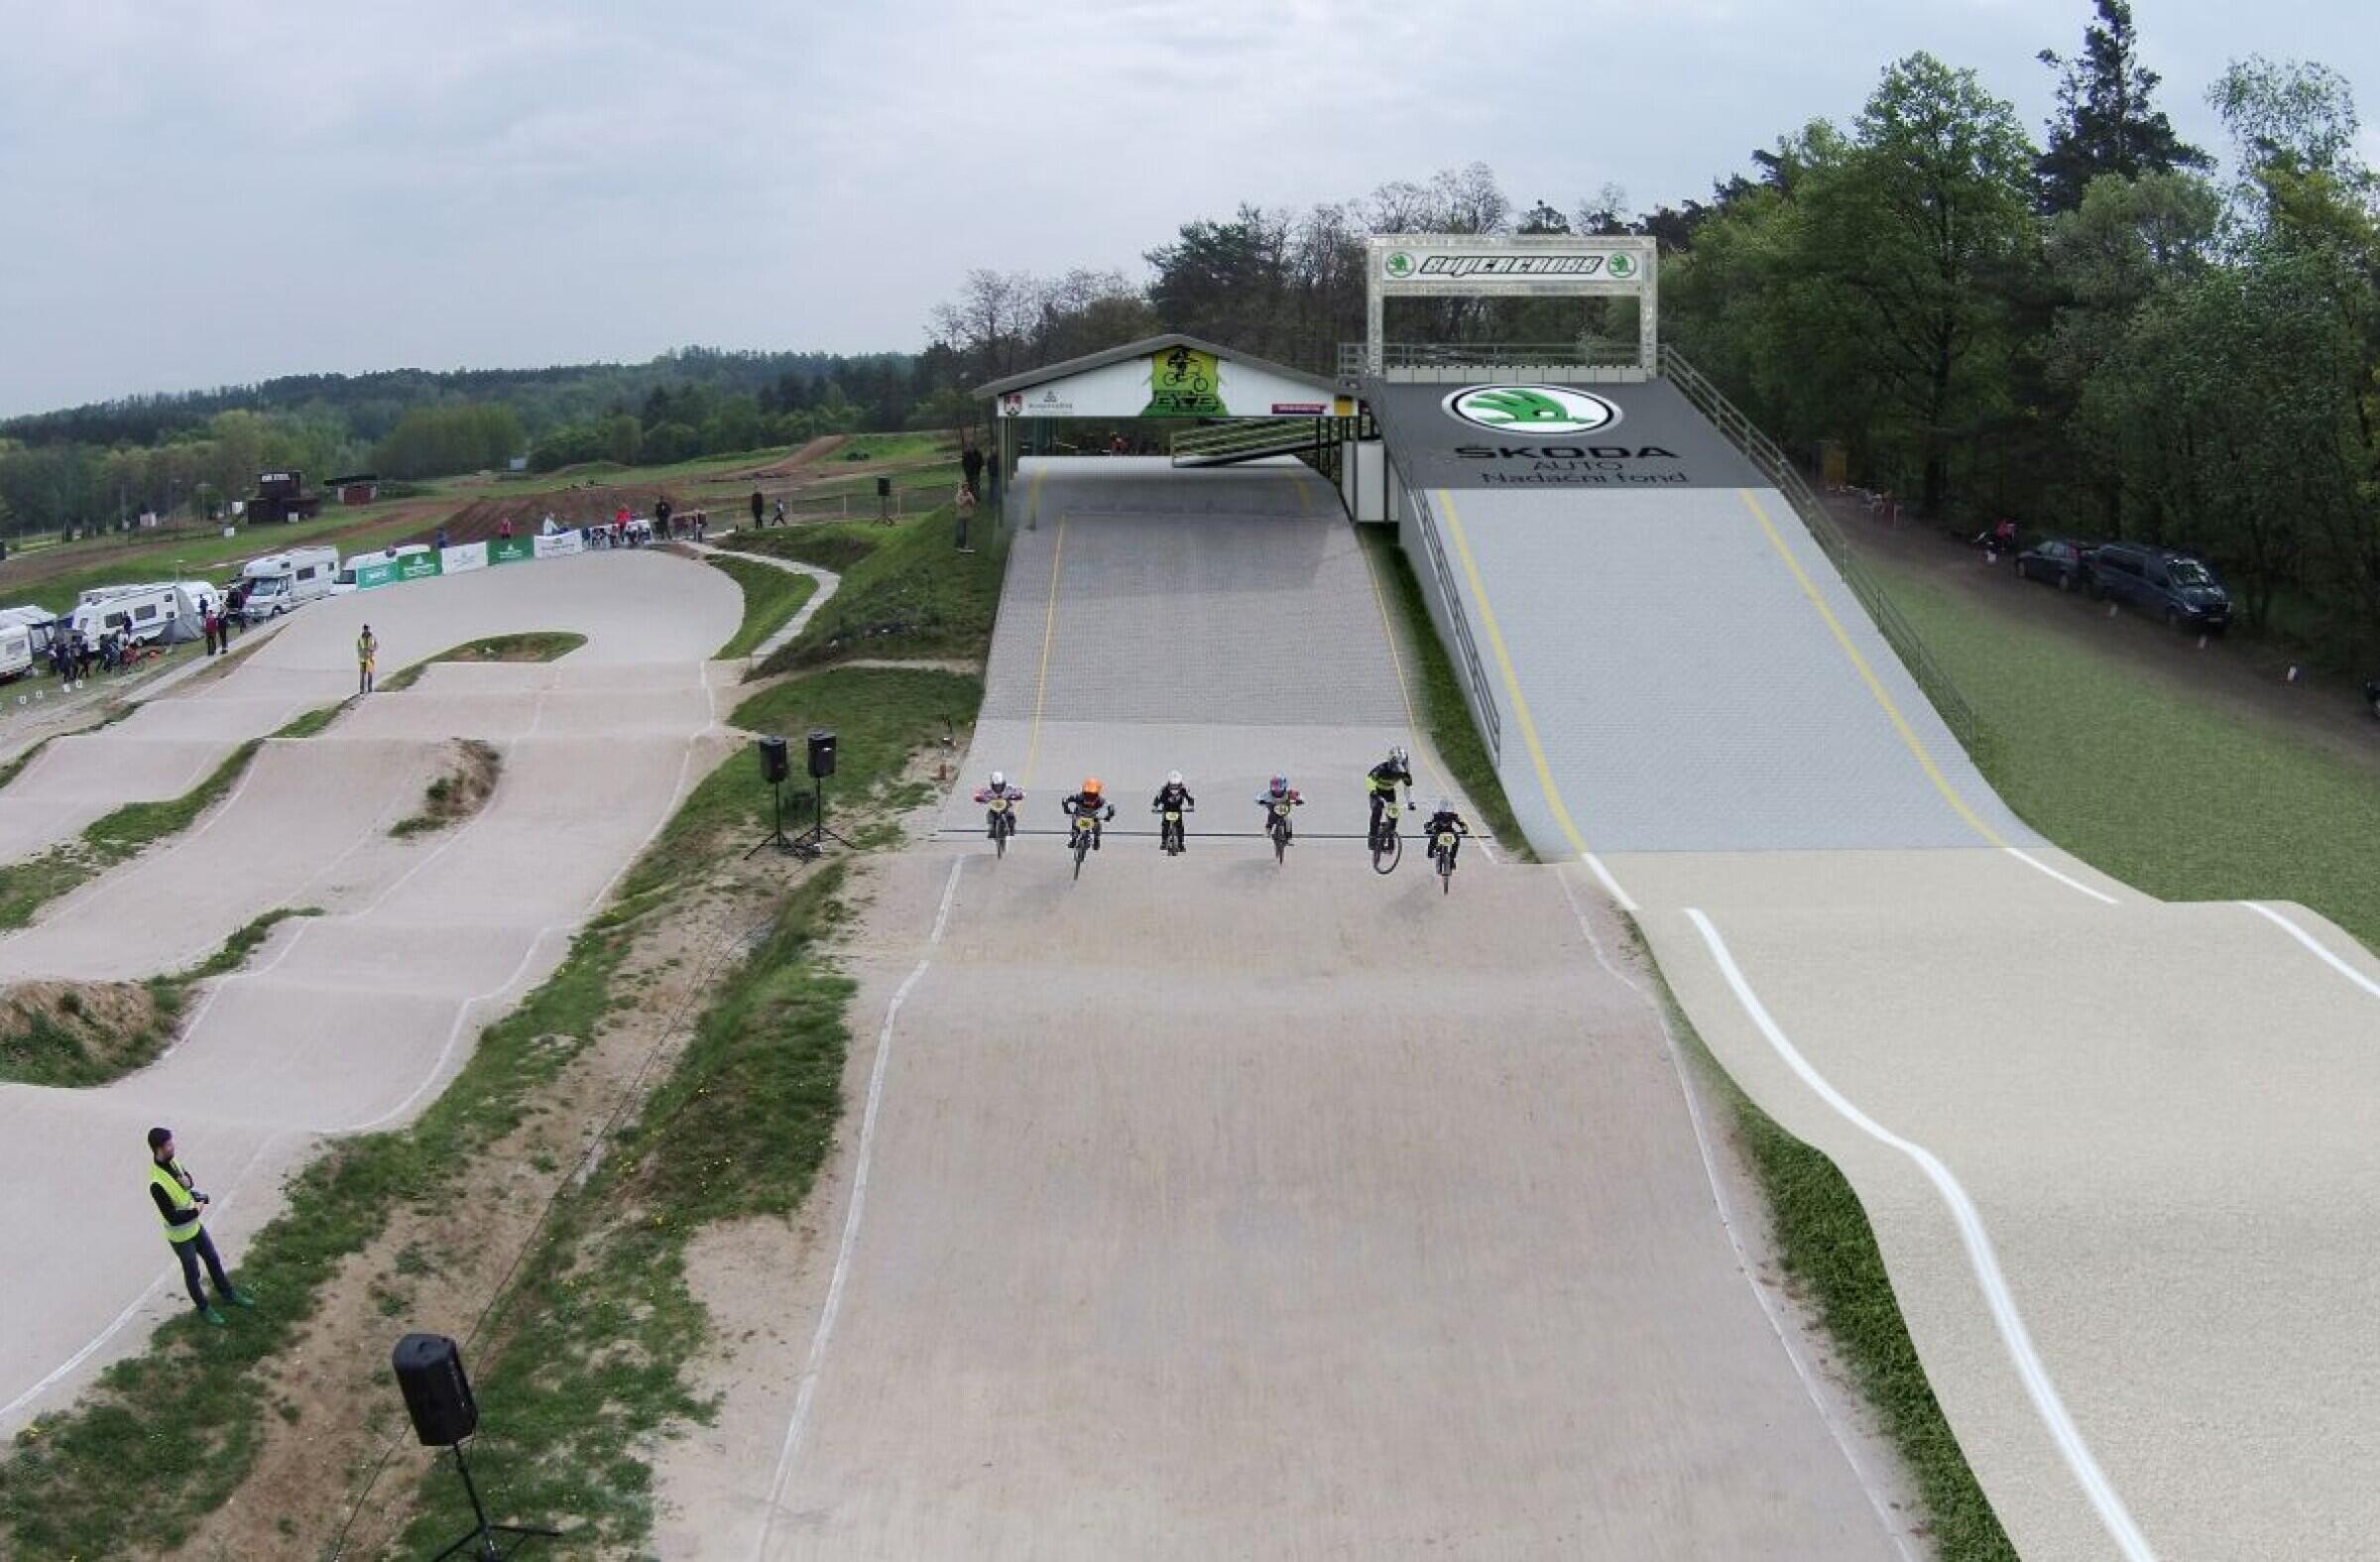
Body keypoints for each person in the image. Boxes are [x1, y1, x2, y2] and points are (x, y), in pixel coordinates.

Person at [147, 1127, 254, 1325]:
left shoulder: (174, 1162)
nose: (173, 1146)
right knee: (193, 1273)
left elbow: (187, 1181)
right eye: (169, 1144)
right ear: (158, 1149)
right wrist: (197, 1210)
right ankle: (204, 1309)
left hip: (194, 1227)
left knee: (213, 1258)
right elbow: (171, 1217)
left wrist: (189, 1183)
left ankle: (228, 1294)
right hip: (181, 1236)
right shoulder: (156, 1184)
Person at [1366, 745, 1414, 838]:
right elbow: (1369, 779)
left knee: (1394, 814)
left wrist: (1410, 802)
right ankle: (1373, 835)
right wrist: (1372, 791)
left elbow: (1407, 787)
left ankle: (1390, 837)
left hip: (1389, 793)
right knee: (1377, 810)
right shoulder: (1382, 769)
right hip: (1377, 792)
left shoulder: (1404, 773)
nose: (1398, 772)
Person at [1060, 777, 1115, 850]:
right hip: (1079, 815)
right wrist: (1066, 808)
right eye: (1087, 795)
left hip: (1092, 817)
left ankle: (1096, 839)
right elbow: (1066, 800)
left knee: (1097, 825)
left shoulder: (1100, 801)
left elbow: (1110, 806)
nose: (1089, 798)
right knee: (1075, 824)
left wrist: (1109, 815)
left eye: (1092, 796)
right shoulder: (1078, 797)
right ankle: (1073, 838)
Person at [972, 769, 1024, 840]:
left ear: (1003, 783)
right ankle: (992, 829)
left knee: (1011, 814)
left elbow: (1019, 791)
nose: (998, 788)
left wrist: (1019, 795)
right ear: (992, 785)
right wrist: (980, 798)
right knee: (990, 814)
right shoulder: (988, 790)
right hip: (994, 807)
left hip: (1006, 805)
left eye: (1000, 785)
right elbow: (978, 794)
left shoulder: (1009, 788)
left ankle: (1012, 828)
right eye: (996, 786)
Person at [1150, 771, 1195, 853]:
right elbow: (1157, 798)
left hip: (1177, 809)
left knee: (1180, 826)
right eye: (1173, 785)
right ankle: (1164, 842)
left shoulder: (1184, 789)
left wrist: (1191, 806)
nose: (1175, 788)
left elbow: (1190, 798)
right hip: (1167, 809)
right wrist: (1155, 807)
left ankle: (1181, 844)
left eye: (1176, 786)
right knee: (1165, 825)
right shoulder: (1164, 789)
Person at [1421, 796, 1471, 869]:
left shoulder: (1454, 816)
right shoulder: (1436, 815)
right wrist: (1428, 829)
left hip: (1449, 831)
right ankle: (1430, 852)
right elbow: (1428, 823)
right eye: (1445, 813)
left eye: (1449, 813)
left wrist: (1464, 829)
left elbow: (1462, 823)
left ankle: (1452, 858)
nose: (1447, 815)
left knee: (1457, 839)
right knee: (1433, 838)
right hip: (1438, 830)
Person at [954, 483, 976, 553]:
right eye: (965, 488)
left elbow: (973, 503)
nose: (966, 489)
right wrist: (966, 499)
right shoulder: (958, 495)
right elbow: (960, 504)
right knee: (961, 532)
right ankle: (959, 546)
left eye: (967, 488)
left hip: (968, 516)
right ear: (962, 488)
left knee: (967, 532)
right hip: (960, 516)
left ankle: (965, 545)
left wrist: (970, 500)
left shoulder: (969, 494)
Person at [356, 624, 378, 695]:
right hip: (362, 659)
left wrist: (371, 650)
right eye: (364, 629)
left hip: (370, 658)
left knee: (370, 674)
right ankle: (362, 690)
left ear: (368, 629)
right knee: (362, 675)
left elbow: (376, 646)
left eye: (367, 629)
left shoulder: (372, 638)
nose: (365, 630)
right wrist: (361, 653)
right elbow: (358, 648)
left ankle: (369, 689)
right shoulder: (360, 638)